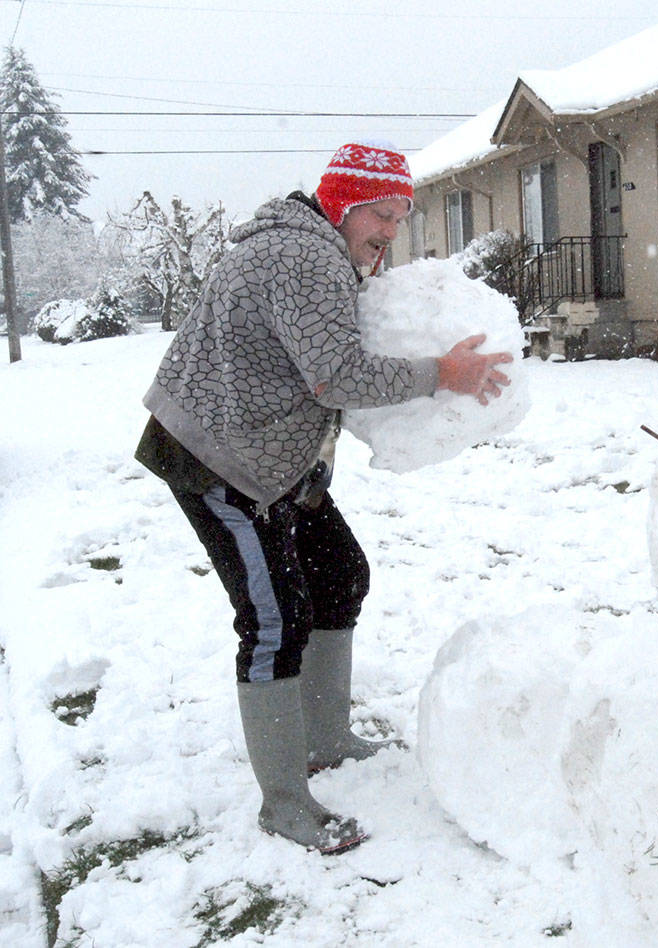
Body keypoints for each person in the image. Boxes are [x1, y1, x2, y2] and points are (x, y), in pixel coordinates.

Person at [134, 141, 512, 855]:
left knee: (339, 574)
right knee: (275, 618)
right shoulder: (302, 257)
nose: (390, 231)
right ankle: (284, 804)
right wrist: (443, 374)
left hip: (273, 453)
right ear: (342, 204)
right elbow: (336, 376)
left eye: (400, 218)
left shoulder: (316, 250)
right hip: (217, 456)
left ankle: (326, 739)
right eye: (381, 215)